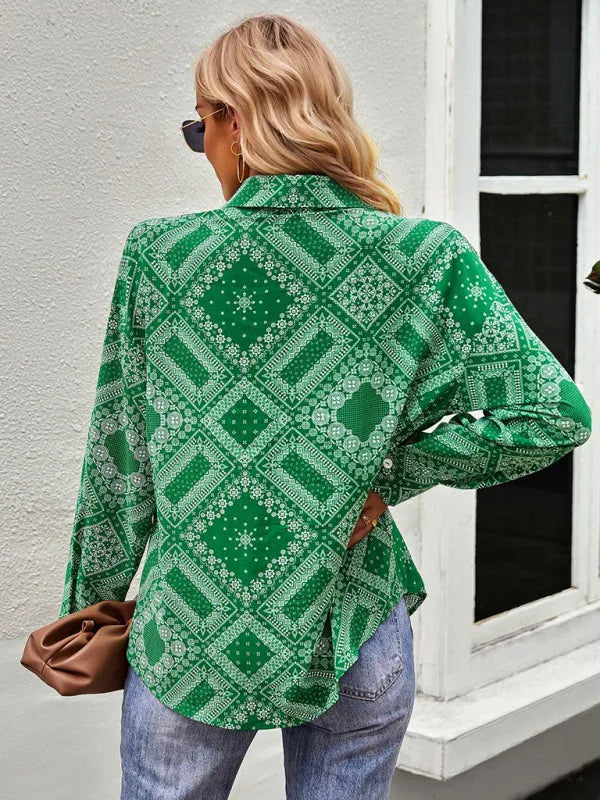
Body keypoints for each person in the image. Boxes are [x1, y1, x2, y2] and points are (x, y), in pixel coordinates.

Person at [56, 12, 592, 800]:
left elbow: (121, 453)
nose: (205, 149)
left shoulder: (162, 257)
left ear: (235, 120)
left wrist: (89, 609)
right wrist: (386, 475)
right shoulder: (424, 257)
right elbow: (552, 414)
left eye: (199, 128)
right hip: (354, 621)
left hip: (193, 634)